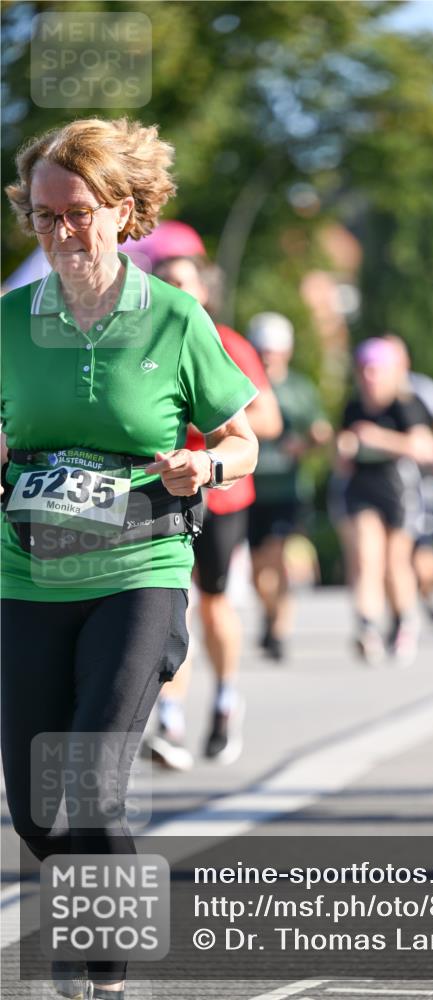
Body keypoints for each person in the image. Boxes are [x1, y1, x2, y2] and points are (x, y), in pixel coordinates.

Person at [0, 118, 258, 999]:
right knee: (38, 810)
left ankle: (104, 970)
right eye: (42, 216)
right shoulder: (7, 321)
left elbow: (244, 437)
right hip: (27, 572)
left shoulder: (176, 318)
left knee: (89, 779)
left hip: (137, 568)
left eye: (76, 214)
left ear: (120, 212)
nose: (59, 232)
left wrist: (208, 463)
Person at [147, 252, 282, 768]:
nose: (173, 292)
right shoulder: (142, 340)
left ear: (204, 291)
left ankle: (226, 701)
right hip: (163, 496)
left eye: (182, 283)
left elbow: (266, 422)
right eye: (163, 282)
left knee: (211, 604)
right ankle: (171, 721)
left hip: (222, 496)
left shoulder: (227, 344)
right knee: (168, 603)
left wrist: (212, 432)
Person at [337, 338, 433, 664]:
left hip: (399, 487)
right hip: (362, 487)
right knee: (367, 558)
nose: (369, 377)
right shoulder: (353, 406)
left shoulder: (404, 405)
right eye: (364, 369)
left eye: (376, 370)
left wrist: (378, 439)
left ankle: (404, 619)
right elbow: (340, 457)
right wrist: (343, 448)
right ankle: (366, 626)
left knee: (396, 563)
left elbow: (425, 448)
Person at [247, 312, 332, 661]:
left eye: (274, 350)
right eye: (263, 349)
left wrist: (309, 441)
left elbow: (320, 429)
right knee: (256, 569)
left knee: (278, 557)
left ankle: (280, 629)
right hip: (251, 487)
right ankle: (269, 614)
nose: (268, 356)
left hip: (286, 489)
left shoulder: (299, 388)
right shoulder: (244, 383)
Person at [383, 334, 433, 622]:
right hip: (387, 482)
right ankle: (398, 614)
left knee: (423, 549)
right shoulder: (374, 389)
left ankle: (428, 591)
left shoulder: (423, 388)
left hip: (420, 480)